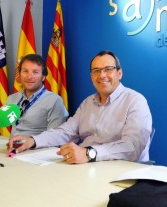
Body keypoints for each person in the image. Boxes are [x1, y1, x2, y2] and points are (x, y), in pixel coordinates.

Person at [8, 50, 152, 164]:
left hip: (120, 171)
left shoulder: (135, 101)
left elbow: (132, 147)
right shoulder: (87, 103)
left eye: (108, 69)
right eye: (96, 71)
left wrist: (89, 153)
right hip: (86, 167)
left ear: (119, 73)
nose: (102, 75)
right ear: (91, 76)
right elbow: (65, 132)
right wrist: (33, 141)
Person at [0, 54, 69, 136]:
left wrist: (30, 142)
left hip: (37, 153)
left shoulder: (54, 101)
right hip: (12, 149)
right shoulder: (12, 99)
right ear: (20, 74)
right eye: (25, 71)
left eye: (35, 72)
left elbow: (55, 137)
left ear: (43, 77)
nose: (29, 76)